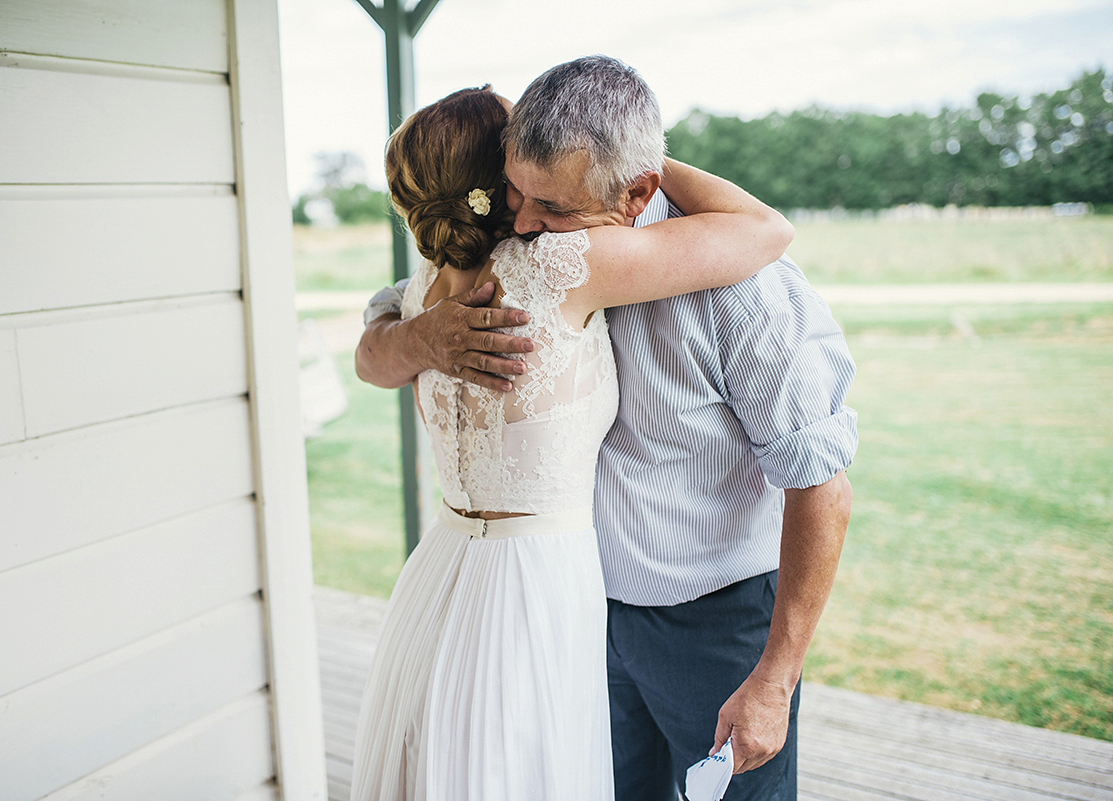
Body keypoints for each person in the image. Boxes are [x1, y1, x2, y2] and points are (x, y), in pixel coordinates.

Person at [356, 56, 857, 801]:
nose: (527, 223)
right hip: (578, 611)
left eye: (551, 206)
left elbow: (821, 481)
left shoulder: (732, 285)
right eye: (516, 193)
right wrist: (423, 339)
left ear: (637, 190)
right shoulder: (504, 260)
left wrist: (774, 680)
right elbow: (381, 341)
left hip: (708, 621)